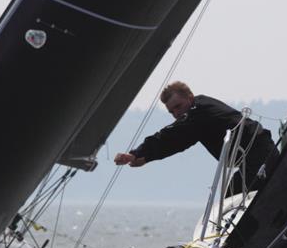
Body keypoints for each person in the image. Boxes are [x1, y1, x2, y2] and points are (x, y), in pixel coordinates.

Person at [114, 81, 278, 195]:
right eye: (172, 112)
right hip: (256, 155)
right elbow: (177, 141)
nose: (176, 114)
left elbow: (169, 136)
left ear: (190, 98)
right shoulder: (198, 111)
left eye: (178, 106)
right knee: (230, 202)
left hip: (260, 155)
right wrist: (145, 157)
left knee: (232, 204)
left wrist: (137, 154)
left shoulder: (198, 112)